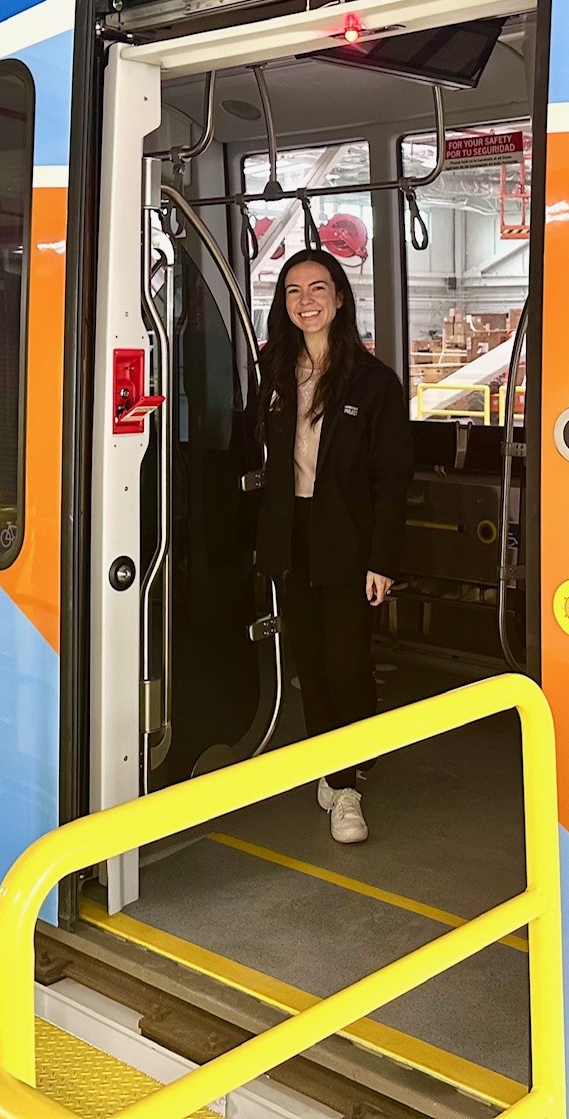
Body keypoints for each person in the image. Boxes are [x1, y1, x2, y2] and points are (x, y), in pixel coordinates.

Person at [253, 249, 412, 844]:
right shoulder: (273, 373)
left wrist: (383, 560)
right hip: (291, 535)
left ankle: (346, 785)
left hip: (348, 538)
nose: (306, 300)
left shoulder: (373, 383)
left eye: (318, 288)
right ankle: (335, 761)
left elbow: (392, 478)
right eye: (293, 290)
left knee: (347, 663)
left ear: (340, 297)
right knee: (311, 663)